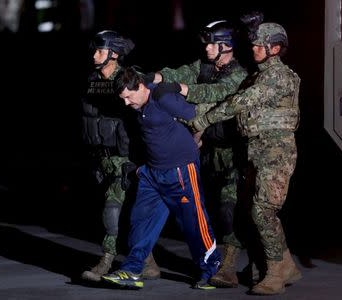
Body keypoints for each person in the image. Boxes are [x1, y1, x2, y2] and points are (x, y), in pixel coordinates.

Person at [189, 20, 302, 295]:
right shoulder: (259, 75)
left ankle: (275, 273)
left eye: (258, 44)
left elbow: (241, 102)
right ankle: (286, 265)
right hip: (258, 149)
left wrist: (204, 120)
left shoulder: (277, 76)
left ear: (274, 48)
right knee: (257, 209)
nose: (252, 47)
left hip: (276, 150)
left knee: (263, 210)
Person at [145, 20, 248, 288]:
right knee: (205, 209)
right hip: (203, 151)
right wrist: (153, 78)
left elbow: (216, 91)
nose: (207, 48)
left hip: (230, 153)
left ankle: (227, 267)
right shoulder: (202, 66)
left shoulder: (239, 74)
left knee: (229, 210)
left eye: (213, 43)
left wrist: (182, 90)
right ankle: (209, 261)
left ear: (227, 45)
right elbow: (179, 73)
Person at [101, 67, 221, 290]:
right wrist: (141, 169)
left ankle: (210, 270)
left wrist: (196, 140)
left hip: (180, 171)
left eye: (128, 97)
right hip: (153, 173)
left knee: (194, 223)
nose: (126, 103)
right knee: (140, 222)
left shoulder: (162, 97)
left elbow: (199, 116)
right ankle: (132, 268)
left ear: (141, 87)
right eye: (122, 99)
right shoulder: (139, 102)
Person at [80, 30, 160, 283]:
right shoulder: (93, 79)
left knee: (112, 211)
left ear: (115, 54)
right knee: (120, 213)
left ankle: (106, 260)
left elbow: (147, 118)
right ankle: (147, 262)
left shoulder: (128, 79)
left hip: (125, 159)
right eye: (94, 50)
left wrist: (137, 160)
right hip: (101, 157)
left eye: (101, 51)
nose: (95, 56)